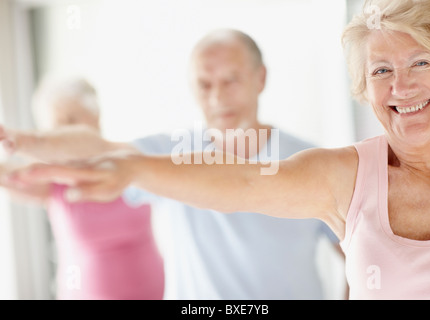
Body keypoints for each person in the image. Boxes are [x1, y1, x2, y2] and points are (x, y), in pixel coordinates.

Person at [4, 30, 344, 299]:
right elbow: (99, 148)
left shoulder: (307, 162)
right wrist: (23, 140)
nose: (217, 97)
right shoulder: (168, 151)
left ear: (261, 78)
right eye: (204, 84)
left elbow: (360, 257)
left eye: (231, 80)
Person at [0, 77, 165, 300]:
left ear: (96, 117)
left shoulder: (132, 161)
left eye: (71, 120)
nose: (64, 132)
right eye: (55, 126)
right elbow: (8, 175)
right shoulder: (49, 179)